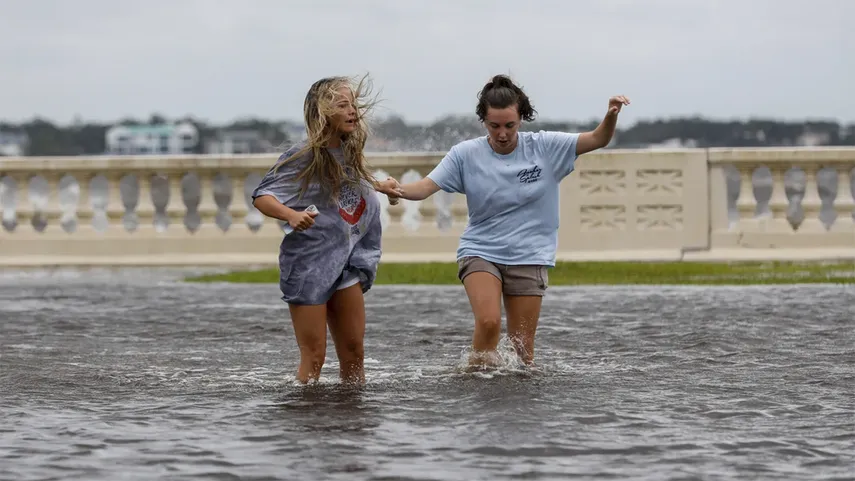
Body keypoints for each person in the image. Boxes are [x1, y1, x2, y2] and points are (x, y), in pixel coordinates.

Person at [381, 74, 630, 368]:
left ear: (521, 119)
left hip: (530, 254)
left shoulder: (546, 147)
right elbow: (424, 187)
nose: (502, 133)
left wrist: (611, 115)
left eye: (509, 126)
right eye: (494, 126)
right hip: (481, 251)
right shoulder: (465, 154)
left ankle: (516, 411)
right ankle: (475, 387)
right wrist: (395, 189)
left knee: (523, 352)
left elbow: (598, 138)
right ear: (483, 122)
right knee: (488, 323)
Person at [251, 75, 399, 384]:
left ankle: (351, 421)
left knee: (355, 352)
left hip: (346, 262)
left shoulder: (348, 152)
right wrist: (290, 215)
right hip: (309, 265)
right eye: (342, 105)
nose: (352, 111)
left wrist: (380, 185)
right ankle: (306, 421)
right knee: (315, 356)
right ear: (322, 112)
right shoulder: (302, 156)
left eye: (353, 105)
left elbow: (351, 181)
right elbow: (262, 196)